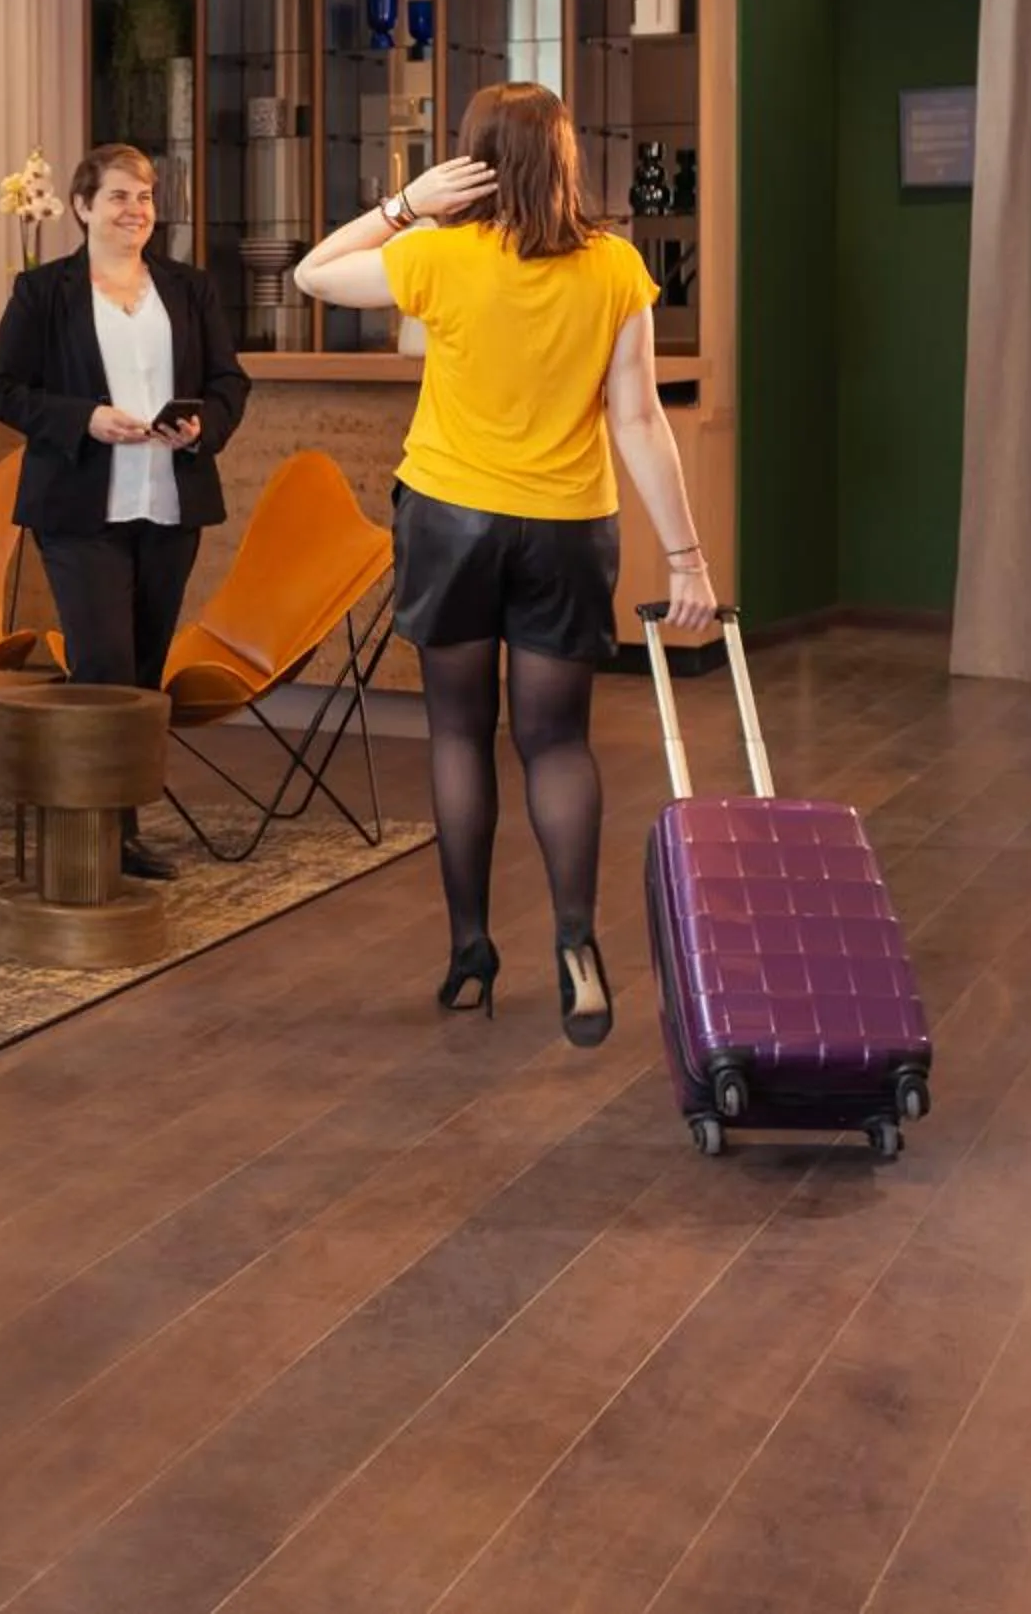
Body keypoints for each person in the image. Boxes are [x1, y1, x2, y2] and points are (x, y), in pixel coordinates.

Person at [292, 81, 717, 1045]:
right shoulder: (615, 268)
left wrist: (405, 204)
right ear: (566, 158)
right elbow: (640, 420)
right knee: (557, 742)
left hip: (451, 519)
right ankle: (575, 943)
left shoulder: (437, 255)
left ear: (470, 161)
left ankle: (472, 952)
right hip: (568, 526)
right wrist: (687, 559)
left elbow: (316, 273)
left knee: (456, 734)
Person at [0, 141, 251, 880]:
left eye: (145, 198)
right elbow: (4, 392)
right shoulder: (43, 293)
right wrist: (86, 419)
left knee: (142, 671)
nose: (135, 211)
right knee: (100, 664)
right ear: (80, 208)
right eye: (118, 198)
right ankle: (92, 830)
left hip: (170, 502)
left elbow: (231, 381)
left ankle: (120, 826)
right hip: (79, 507)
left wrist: (205, 429)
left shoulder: (189, 289)